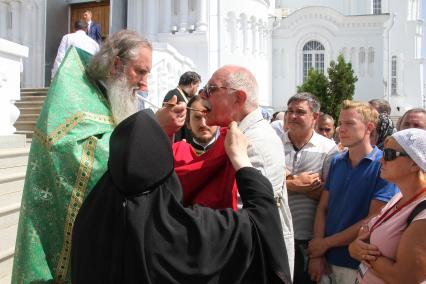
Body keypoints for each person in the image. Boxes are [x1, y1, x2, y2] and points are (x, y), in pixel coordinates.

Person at [12, 30, 186, 283]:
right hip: (61, 243)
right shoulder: (74, 93)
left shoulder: (108, 93)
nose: (145, 84)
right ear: (116, 65)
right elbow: (82, 159)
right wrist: (153, 129)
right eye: (140, 72)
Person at [71, 112, 292, 284]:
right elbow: (260, 220)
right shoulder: (186, 232)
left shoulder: (88, 221)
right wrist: (240, 159)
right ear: (166, 168)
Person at [199, 65, 295, 278]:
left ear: (238, 98)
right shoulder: (240, 132)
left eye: (211, 89)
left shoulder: (253, 142)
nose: (204, 95)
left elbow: (250, 216)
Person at [308, 100, 399, 284]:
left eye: (349, 123)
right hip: (326, 261)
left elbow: (373, 219)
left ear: (369, 127)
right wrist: (317, 254)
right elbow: (323, 208)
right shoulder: (336, 162)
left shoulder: (384, 165)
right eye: (340, 123)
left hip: (357, 264)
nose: (341, 129)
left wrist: (324, 244)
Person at [349, 128, 426, 284]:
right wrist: (354, 246)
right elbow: (365, 232)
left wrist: (361, 253)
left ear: (414, 163)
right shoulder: (398, 197)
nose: (381, 160)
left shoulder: (422, 213)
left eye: (389, 154)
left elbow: (404, 278)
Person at [282, 92, 338, 284]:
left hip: (307, 241)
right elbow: (263, 185)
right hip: (276, 234)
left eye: (300, 112)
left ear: (315, 116)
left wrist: (284, 179)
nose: (293, 116)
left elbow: (326, 196)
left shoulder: (329, 149)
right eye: (290, 111)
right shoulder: (274, 144)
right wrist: (296, 183)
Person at [163, 71, 201, 141]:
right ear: (192, 84)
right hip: (176, 143)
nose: (196, 90)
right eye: (197, 86)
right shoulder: (173, 95)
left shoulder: (181, 95)